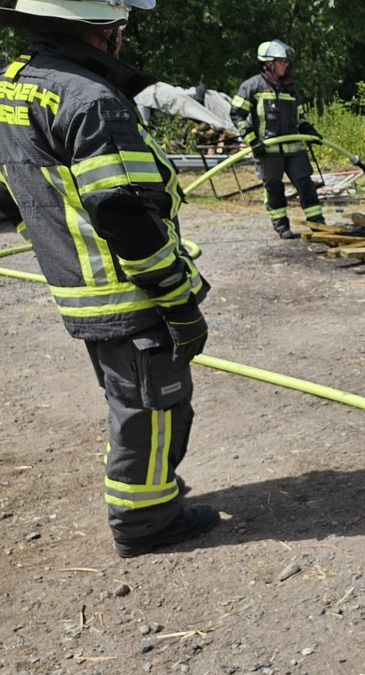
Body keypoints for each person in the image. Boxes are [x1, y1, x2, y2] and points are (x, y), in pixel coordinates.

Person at [0, 0, 220, 557]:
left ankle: (145, 489)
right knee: (154, 406)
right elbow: (126, 216)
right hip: (128, 293)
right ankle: (146, 520)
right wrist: (178, 301)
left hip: (81, 288)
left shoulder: (15, 84)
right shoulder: (91, 101)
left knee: (130, 399)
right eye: (120, 24)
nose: (122, 35)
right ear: (101, 27)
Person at [230, 39, 324, 239]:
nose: (285, 65)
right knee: (274, 189)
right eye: (281, 61)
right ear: (268, 64)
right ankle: (282, 227)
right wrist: (252, 140)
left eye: (285, 61)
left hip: (295, 150)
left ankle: (318, 224)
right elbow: (237, 115)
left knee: (306, 185)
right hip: (268, 151)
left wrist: (309, 130)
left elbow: (299, 116)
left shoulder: (290, 87)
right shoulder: (252, 86)